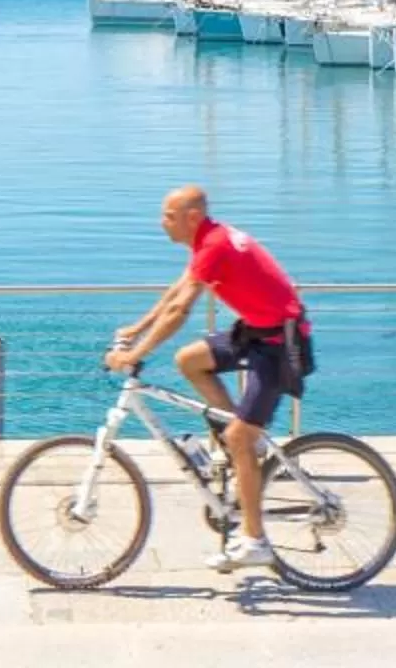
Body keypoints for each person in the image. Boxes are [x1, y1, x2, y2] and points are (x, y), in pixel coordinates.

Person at [104, 187, 313, 573]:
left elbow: (182, 310)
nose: (160, 222)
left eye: (168, 215)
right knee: (189, 360)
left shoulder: (215, 246)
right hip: (256, 332)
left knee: (238, 437)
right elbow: (175, 292)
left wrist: (134, 356)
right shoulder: (207, 242)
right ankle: (243, 445)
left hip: (280, 343)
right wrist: (137, 327)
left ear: (192, 216)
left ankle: (255, 540)